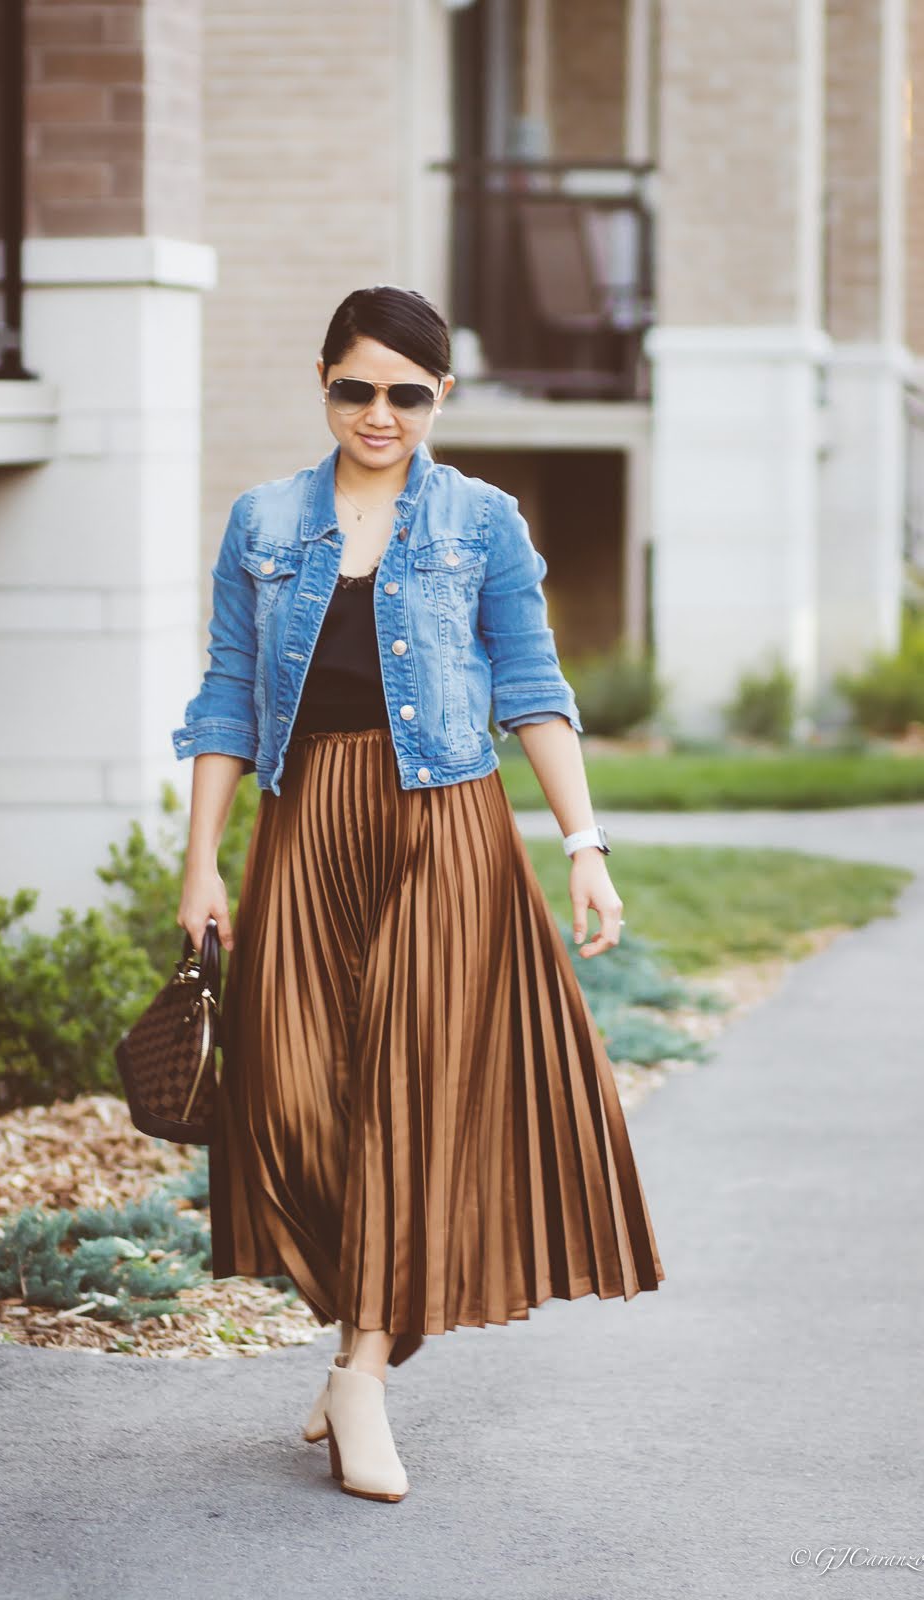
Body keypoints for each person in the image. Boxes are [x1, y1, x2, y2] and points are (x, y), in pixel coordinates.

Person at [172, 284, 665, 1504]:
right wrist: (202, 860)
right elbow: (230, 695)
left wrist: (584, 844)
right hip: (306, 830)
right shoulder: (265, 519)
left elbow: (535, 690)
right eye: (356, 388)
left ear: (441, 394)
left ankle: (363, 1372)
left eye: (406, 392)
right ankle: (363, 1328)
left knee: (407, 1096)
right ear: (324, 382)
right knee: (288, 1095)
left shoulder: (482, 520)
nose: (379, 413)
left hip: (444, 828)